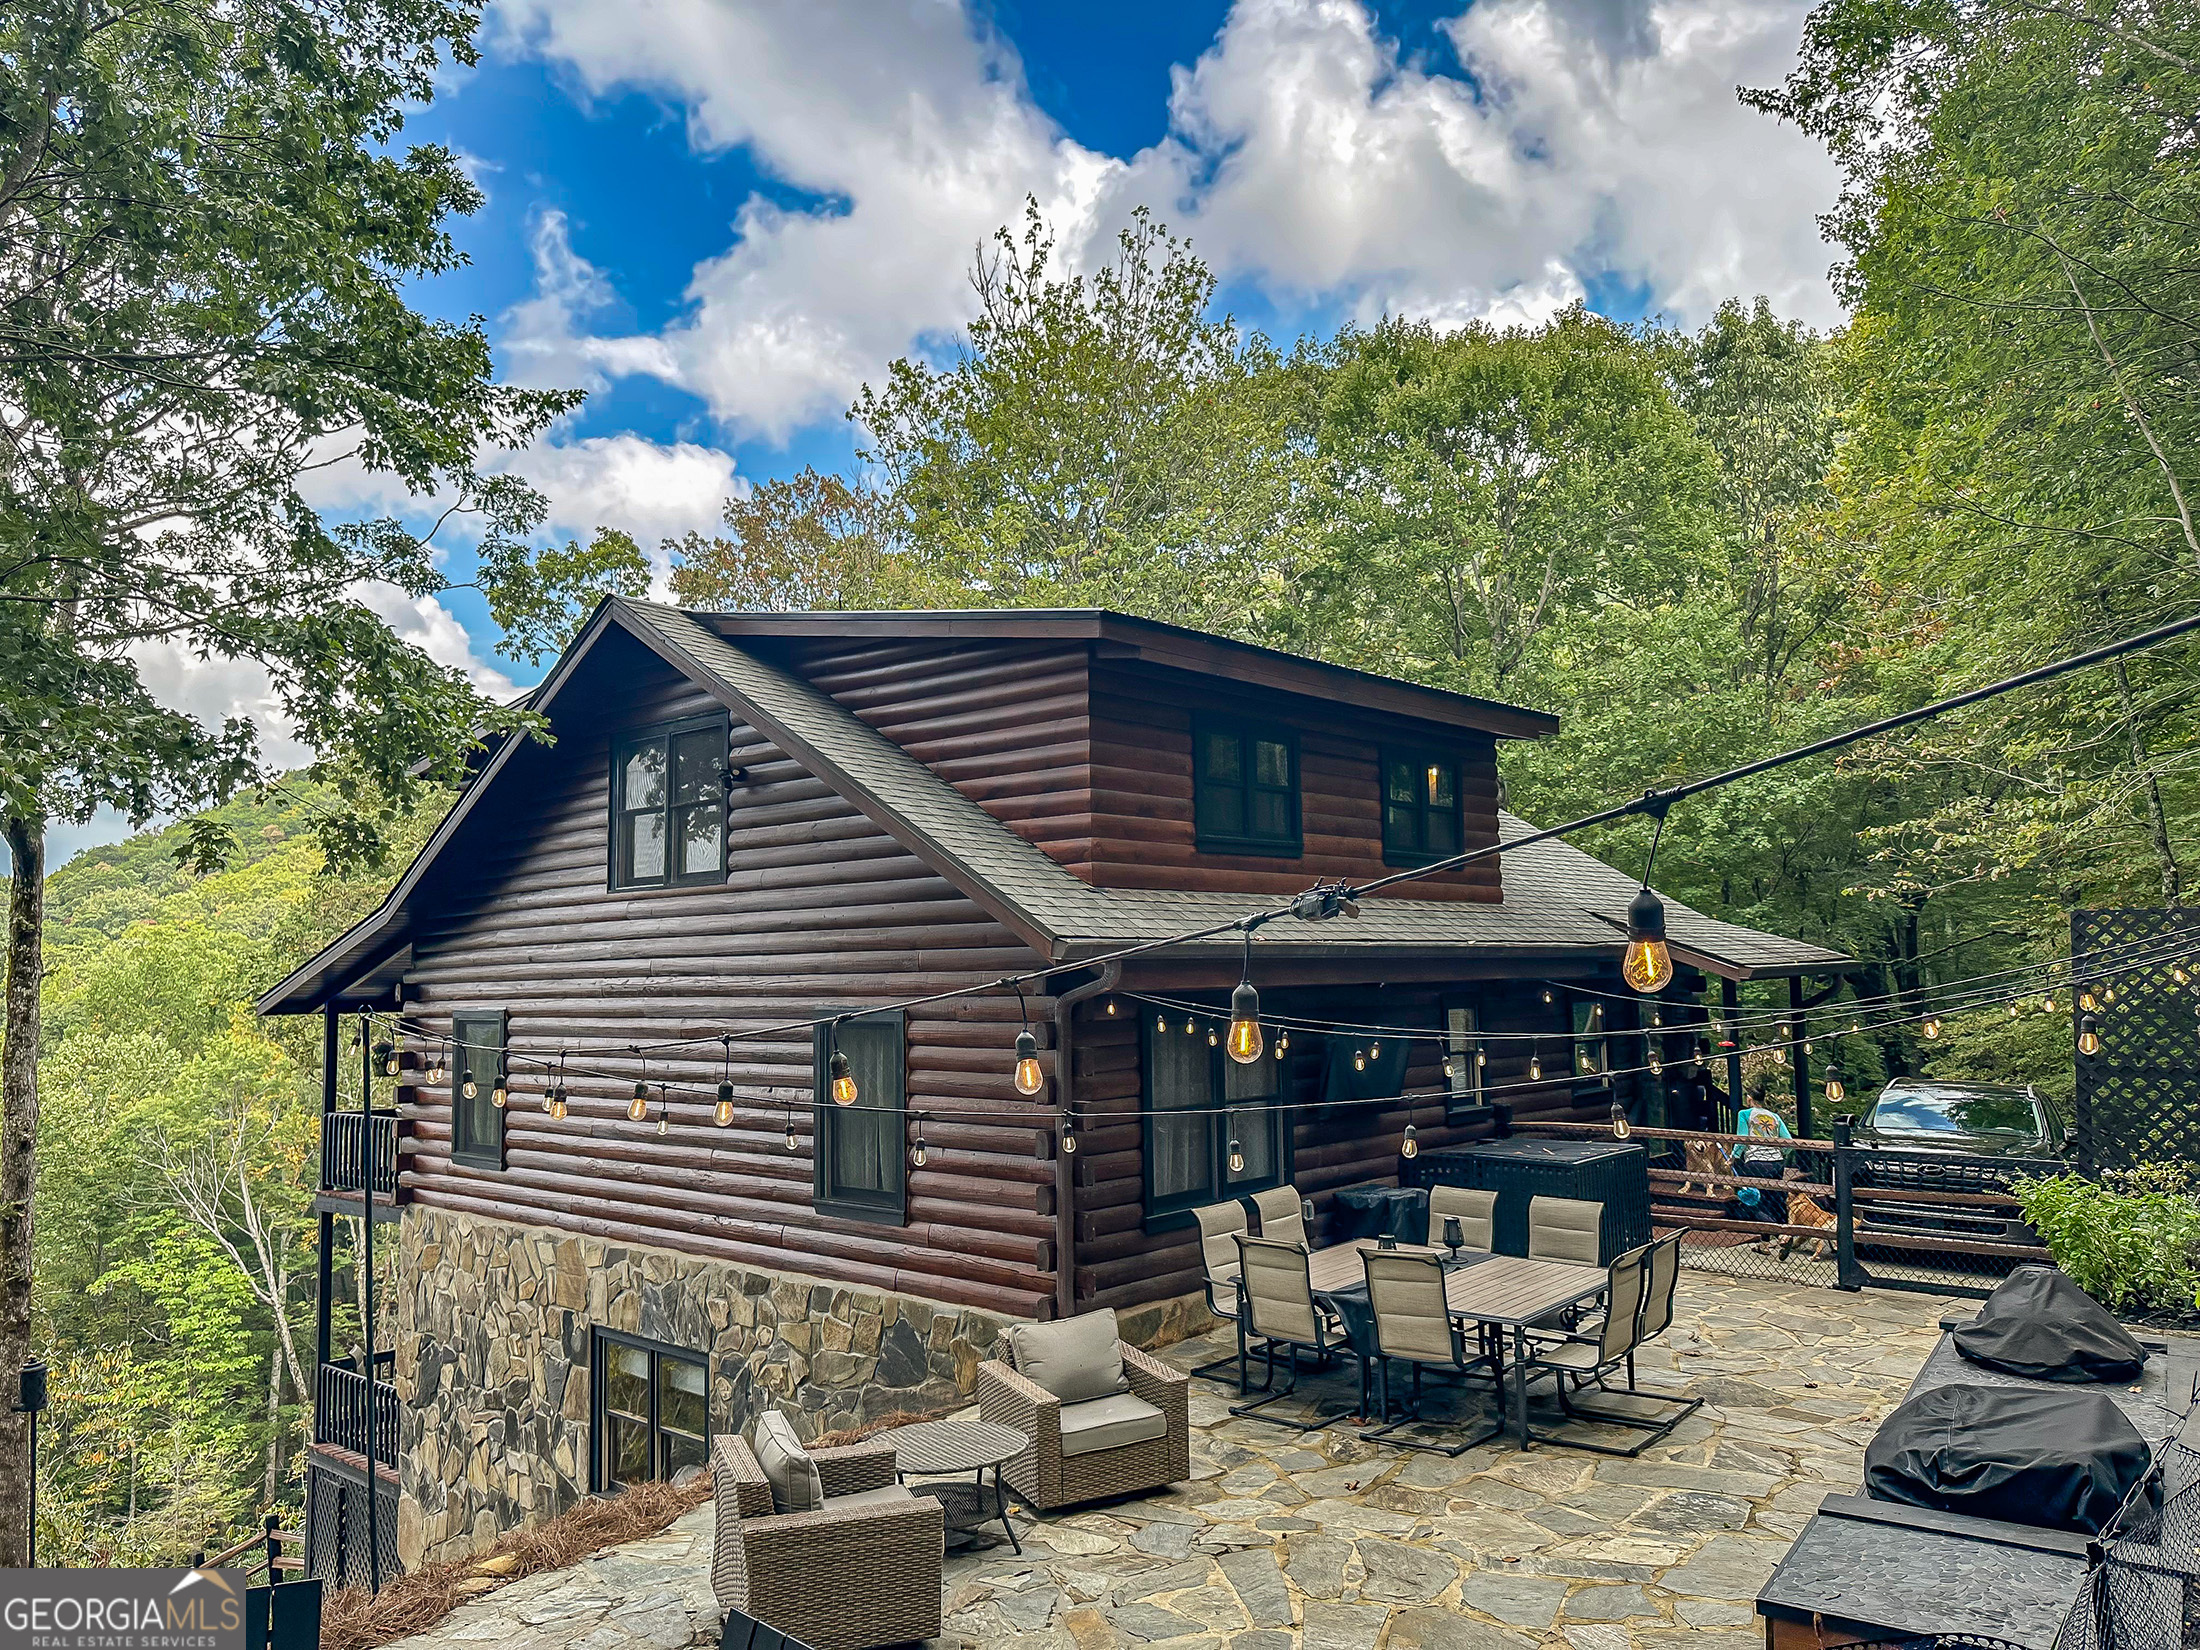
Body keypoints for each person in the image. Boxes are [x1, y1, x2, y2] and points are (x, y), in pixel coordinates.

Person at [1729, 1089, 1794, 1251]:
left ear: (1749, 1098)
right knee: (1774, 1199)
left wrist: (1733, 1157)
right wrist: (1781, 1153)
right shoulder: (1775, 1117)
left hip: (1756, 1163)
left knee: (1756, 1202)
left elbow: (1743, 1139)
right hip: (1777, 1163)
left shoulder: (1745, 1114)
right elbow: (1789, 1141)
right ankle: (1767, 1243)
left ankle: (1778, 1234)